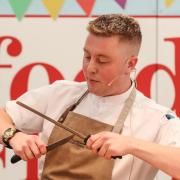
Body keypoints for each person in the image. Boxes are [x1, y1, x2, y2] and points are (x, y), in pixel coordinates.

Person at [0, 14, 180, 180]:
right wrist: (12, 135)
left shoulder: (157, 118)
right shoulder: (60, 93)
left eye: (102, 60)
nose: (90, 68)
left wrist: (132, 145)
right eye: (87, 56)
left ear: (130, 64)